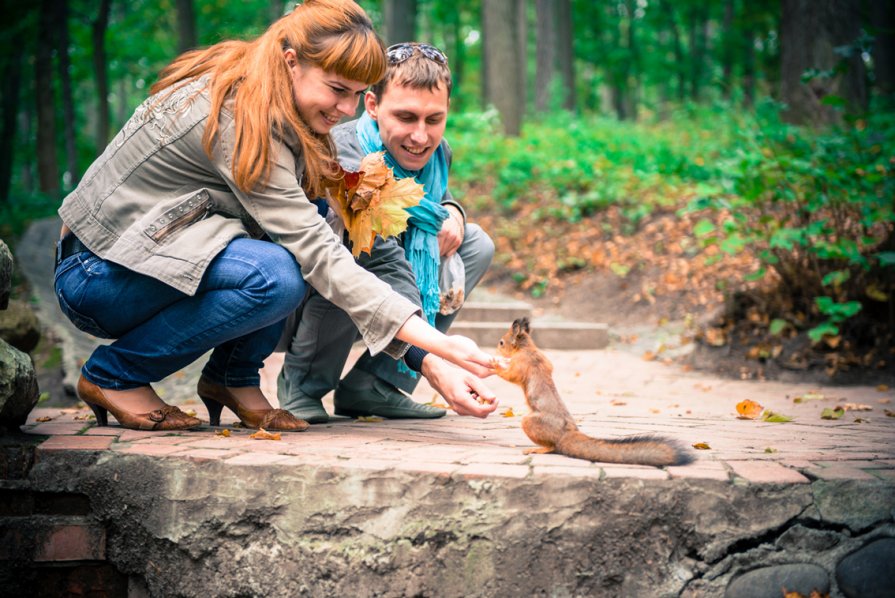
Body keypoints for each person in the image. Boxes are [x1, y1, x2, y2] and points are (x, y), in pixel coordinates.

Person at [52, 0, 495, 433]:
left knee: (311, 229)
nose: (347, 110)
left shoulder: (299, 120)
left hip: (159, 256)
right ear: (291, 62)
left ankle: (232, 376)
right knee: (275, 275)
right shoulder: (238, 117)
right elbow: (319, 253)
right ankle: (115, 374)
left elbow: (368, 251)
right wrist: (437, 345)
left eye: (358, 95)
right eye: (338, 90)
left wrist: (430, 360)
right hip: (97, 273)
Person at [276, 42, 497, 423]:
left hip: (393, 288)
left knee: (475, 243)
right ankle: (303, 385)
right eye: (406, 117)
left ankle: (375, 385)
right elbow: (380, 258)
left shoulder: (438, 152)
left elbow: (431, 199)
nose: (420, 136)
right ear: (373, 106)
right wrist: (434, 358)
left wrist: (452, 212)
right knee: (353, 250)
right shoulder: (342, 150)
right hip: (306, 291)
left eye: (434, 119)